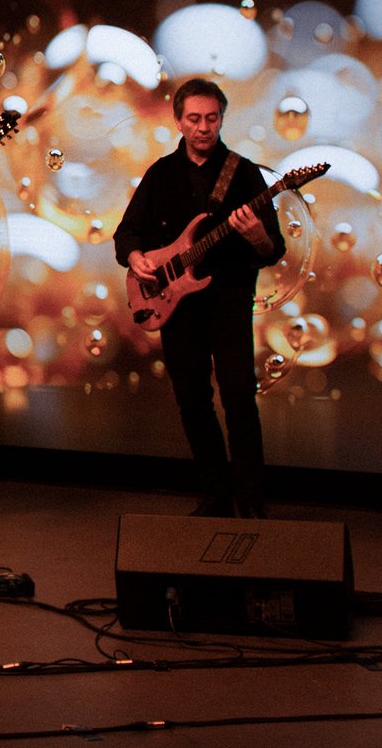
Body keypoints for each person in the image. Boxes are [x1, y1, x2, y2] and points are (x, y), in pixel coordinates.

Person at [115, 77, 284, 519]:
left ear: (222, 119)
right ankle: (216, 492)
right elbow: (125, 234)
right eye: (194, 118)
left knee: (239, 397)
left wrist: (257, 234)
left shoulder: (245, 174)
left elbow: (274, 250)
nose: (203, 127)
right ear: (178, 121)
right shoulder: (161, 174)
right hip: (176, 305)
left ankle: (250, 496)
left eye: (211, 118)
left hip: (227, 301)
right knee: (191, 400)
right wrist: (137, 259)